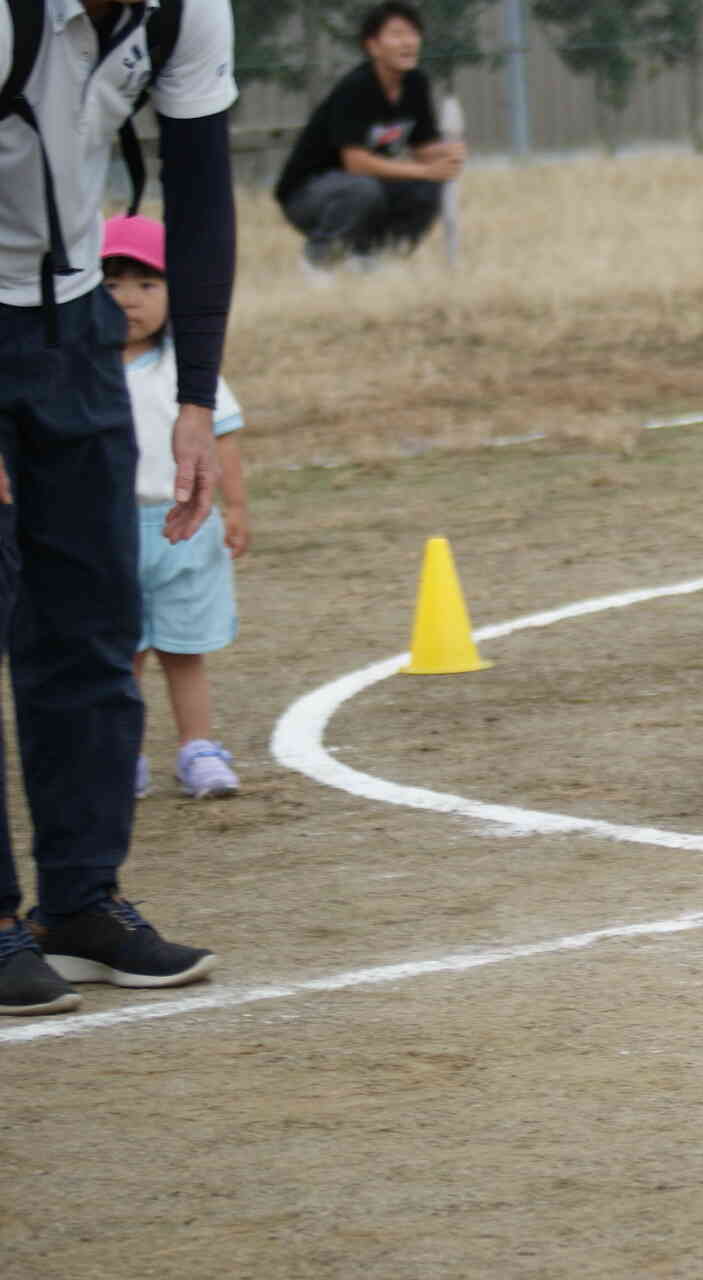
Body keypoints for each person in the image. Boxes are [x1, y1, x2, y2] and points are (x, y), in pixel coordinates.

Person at [0, 0, 234, 1016]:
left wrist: (194, 399)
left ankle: (79, 903)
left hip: (79, 322)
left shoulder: (186, 12)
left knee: (93, 618)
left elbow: (201, 186)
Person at [101, 215, 249, 801]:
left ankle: (198, 749)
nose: (128, 300)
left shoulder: (188, 369)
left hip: (185, 532)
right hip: (106, 533)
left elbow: (224, 438)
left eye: (146, 285)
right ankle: (122, 758)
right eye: (111, 285)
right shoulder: (80, 370)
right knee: (124, 656)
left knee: (183, 652)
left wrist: (235, 508)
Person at [272, 1, 465, 273]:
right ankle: (317, 260)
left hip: (361, 186)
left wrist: (447, 153)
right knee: (364, 188)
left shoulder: (415, 84)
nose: (408, 42)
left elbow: (422, 148)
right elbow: (356, 163)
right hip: (307, 194)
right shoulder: (356, 88)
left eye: (413, 34)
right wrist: (425, 170)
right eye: (397, 35)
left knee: (424, 190)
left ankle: (371, 259)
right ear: (372, 46)